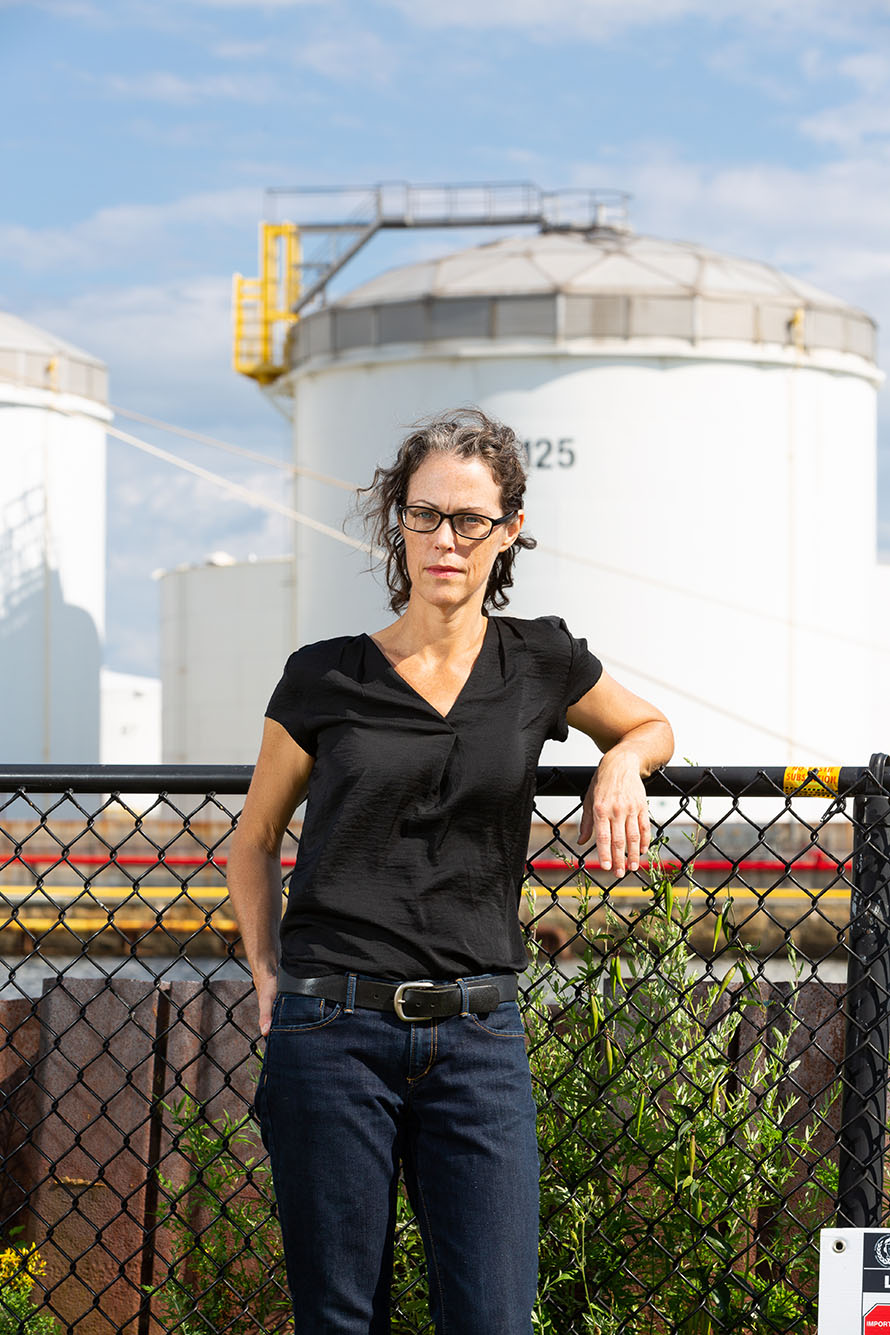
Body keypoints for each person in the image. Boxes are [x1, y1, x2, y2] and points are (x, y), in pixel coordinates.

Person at [227, 407, 674, 1335]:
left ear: (508, 530)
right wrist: (269, 973)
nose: (446, 539)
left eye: (471, 519)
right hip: (332, 1032)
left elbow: (648, 724)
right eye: (427, 515)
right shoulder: (324, 676)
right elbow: (256, 838)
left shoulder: (539, 658)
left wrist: (622, 761)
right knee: (342, 1319)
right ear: (400, 521)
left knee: (494, 1318)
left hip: (477, 1037)